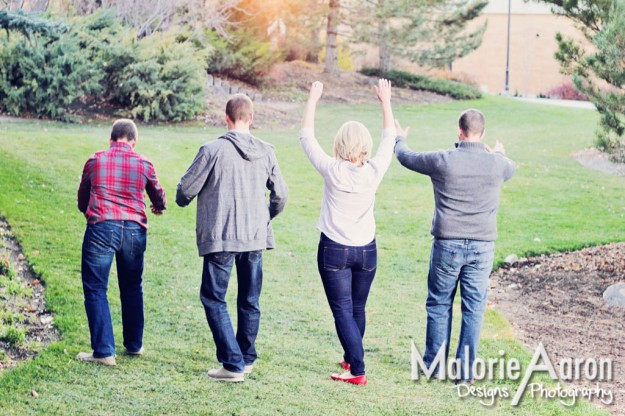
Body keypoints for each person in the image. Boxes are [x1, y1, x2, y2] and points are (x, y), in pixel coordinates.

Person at [394, 109, 515, 383]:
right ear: (482, 134)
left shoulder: (443, 160)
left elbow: (406, 157)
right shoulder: (498, 164)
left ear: (459, 131)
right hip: (482, 248)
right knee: (474, 308)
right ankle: (465, 373)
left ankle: (434, 367)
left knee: (439, 303)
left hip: (447, 245)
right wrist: (496, 153)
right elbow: (510, 165)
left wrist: (399, 139)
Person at [176, 94, 288, 383]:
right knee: (250, 299)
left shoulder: (212, 150)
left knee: (213, 298)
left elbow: (185, 191)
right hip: (253, 236)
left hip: (222, 236)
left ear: (226, 118)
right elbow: (281, 195)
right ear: (251, 118)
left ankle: (234, 363)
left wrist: (180, 196)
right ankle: (245, 357)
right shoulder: (267, 151)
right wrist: (264, 219)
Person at [300, 79, 396, 386]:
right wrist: (385, 101)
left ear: (341, 145)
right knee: (356, 308)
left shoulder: (332, 169)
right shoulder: (375, 170)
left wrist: (313, 99)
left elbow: (306, 137)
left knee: (342, 310)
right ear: (363, 146)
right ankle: (351, 357)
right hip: (367, 251)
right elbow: (390, 137)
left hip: (335, 250)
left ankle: (357, 369)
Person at [76, 119, 167, 366]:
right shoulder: (144, 162)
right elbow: (158, 195)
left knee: (96, 287)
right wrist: (158, 208)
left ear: (111, 139)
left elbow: (83, 196)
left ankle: (104, 351)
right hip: (135, 230)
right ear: (134, 142)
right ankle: (134, 344)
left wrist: (88, 212)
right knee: (132, 286)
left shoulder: (95, 160)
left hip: (102, 227)